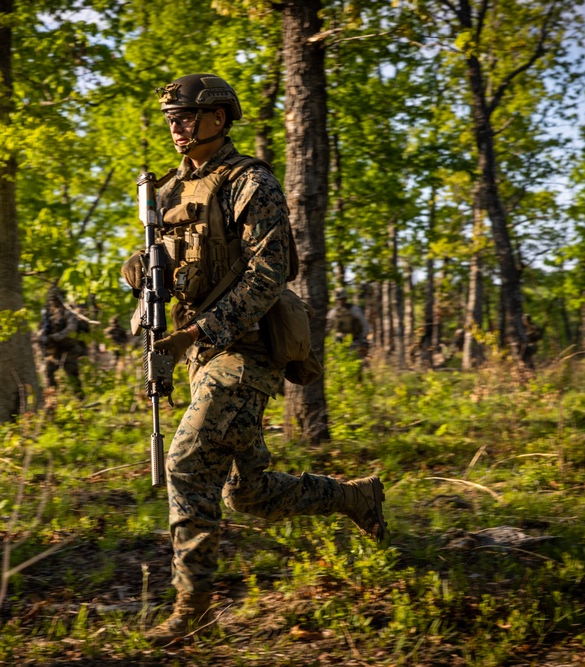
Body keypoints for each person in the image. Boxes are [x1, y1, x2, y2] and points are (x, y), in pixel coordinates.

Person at [121, 73, 387, 645]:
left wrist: (198, 332)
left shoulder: (251, 183)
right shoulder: (167, 193)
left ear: (220, 118)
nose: (177, 126)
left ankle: (195, 608)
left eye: (188, 116)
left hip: (243, 350)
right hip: (199, 351)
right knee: (248, 492)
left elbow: (271, 274)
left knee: (187, 465)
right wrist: (140, 273)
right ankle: (354, 496)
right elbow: (164, 267)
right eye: (172, 118)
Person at [37, 287, 87, 400]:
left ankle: (80, 400)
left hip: (68, 350)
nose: (52, 301)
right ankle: (52, 399)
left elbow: (71, 328)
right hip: (53, 351)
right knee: (47, 372)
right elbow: (41, 330)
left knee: (72, 376)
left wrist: (55, 337)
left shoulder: (69, 312)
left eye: (54, 298)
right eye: (51, 298)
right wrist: (42, 336)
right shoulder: (48, 315)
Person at [326, 287, 369, 357]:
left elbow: (365, 324)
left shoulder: (354, 310)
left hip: (355, 341)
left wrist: (363, 338)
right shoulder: (333, 313)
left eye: (342, 299)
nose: (340, 301)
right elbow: (327, 328)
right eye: (339, 299)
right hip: (339, 343)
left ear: (345, 298)